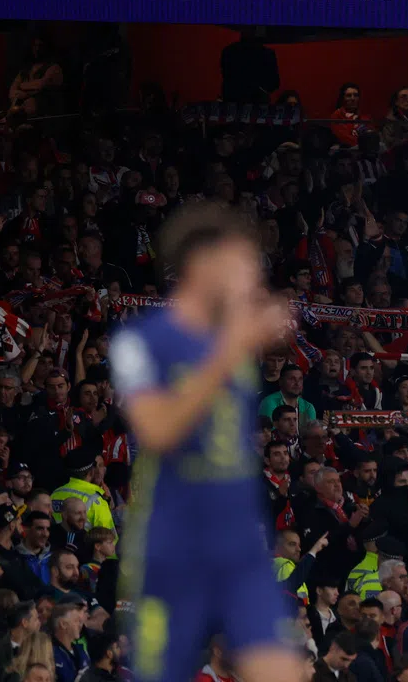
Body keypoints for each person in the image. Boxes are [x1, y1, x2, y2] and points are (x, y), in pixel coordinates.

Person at [108, 202, 300, 682]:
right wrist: (231, 346)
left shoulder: (233, 343)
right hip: (175, 543)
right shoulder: (140, 341)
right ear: (203, 263)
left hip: (240, 543)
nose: (253, 279)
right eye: (242, 265)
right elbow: (157, 430)